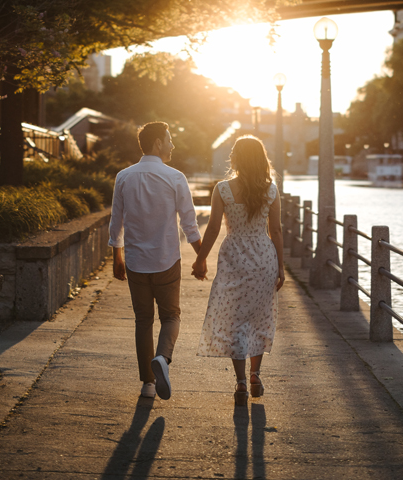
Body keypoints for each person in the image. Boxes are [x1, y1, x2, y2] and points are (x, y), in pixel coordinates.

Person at [109, 121, 201, 400]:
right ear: (158, 143)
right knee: (171, 315)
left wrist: (117, 255)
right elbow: (189, 222)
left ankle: (148, 384)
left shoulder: (124, 176)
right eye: (169, 139)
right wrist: (202, 257)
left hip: (136, 260)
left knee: (143, 320)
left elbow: (117, 220)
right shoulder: (175, 177)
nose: (172, 145)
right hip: (167, 259)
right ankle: (162, 357)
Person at [192, 135, 285, 406]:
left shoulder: (223, 189)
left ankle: (241, 382)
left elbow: (212, 228)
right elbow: (276, 230)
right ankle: (256, 375)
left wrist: (201, 259)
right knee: (259, 318)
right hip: (264, 258)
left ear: (235, 158)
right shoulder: (271, 190)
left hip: (233, 257)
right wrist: (280, 266)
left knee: (235, 321)